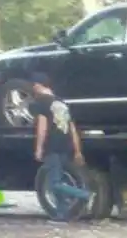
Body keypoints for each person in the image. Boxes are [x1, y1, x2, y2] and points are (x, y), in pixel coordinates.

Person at [29, 75, 91, 220]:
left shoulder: (41, 102)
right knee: (59, 180)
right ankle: (61, 215)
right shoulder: (62, 103)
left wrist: (39, 148)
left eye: (34, 85)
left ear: (39, 85)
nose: (33, 88)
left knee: (54, 184)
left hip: (52, 145)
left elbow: (42, 127)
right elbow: (72, 129)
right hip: (66, 145)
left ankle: (84, 194)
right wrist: (77, 150)